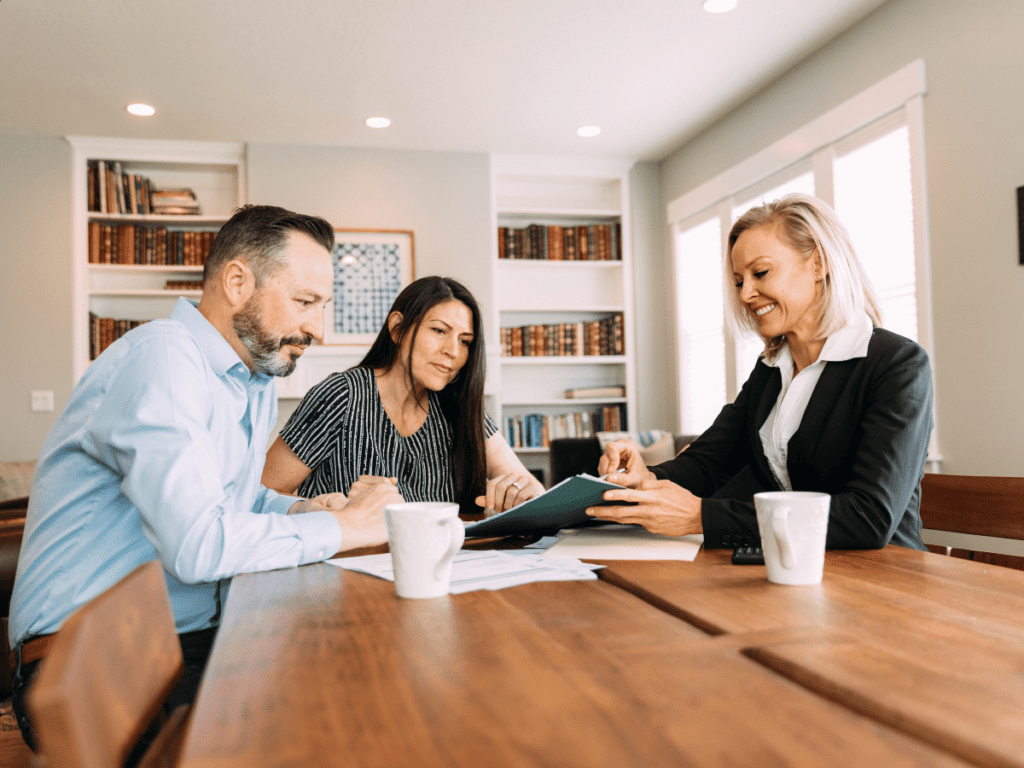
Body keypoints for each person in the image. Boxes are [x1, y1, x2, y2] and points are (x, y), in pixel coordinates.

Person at [8, 205, 403, 755]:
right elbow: (198, 545)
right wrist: (350, 529)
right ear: (237, 282)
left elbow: (228, 497)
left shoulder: (251, 380)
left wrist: (303, 510)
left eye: (323, 306)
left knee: (361, 680)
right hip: (91, 666)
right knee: (338, 725)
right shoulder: (163, 358)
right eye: (305, 302)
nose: (319, 328)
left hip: (180, 641)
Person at [590, 193, 933, 551]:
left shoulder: (897, 364)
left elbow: (868, 518)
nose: (745, 294)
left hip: (884, 579)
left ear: (818, 264)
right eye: (739, 281)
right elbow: (710, 462)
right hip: (798, 569)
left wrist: (701, 517)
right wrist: (646, 477)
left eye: (761, 273)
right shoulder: (772, 368)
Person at [262, 275, 544, 515]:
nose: (453, 352)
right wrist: (331, 509)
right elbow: (264, 492)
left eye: (465, 341)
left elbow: (531, 488)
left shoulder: (459, 406)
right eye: (439, 330)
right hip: (343, 567)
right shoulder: (341, 395)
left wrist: (524, 491)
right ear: (397, 329)